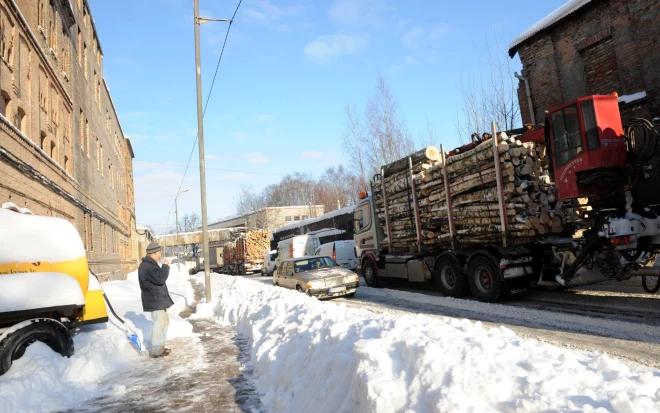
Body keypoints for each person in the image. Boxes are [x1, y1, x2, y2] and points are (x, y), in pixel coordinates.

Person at [138, 242, 174, 358]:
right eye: (159, 253)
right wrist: (165, 266)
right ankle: (156, 351)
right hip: (155, 300)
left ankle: (160, 348)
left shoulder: (150, 264)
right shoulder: (147, 266)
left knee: (164, 323)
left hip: (158, 299)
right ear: (153, 253)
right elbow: (160, 279)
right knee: (159, 325)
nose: (160, 255)